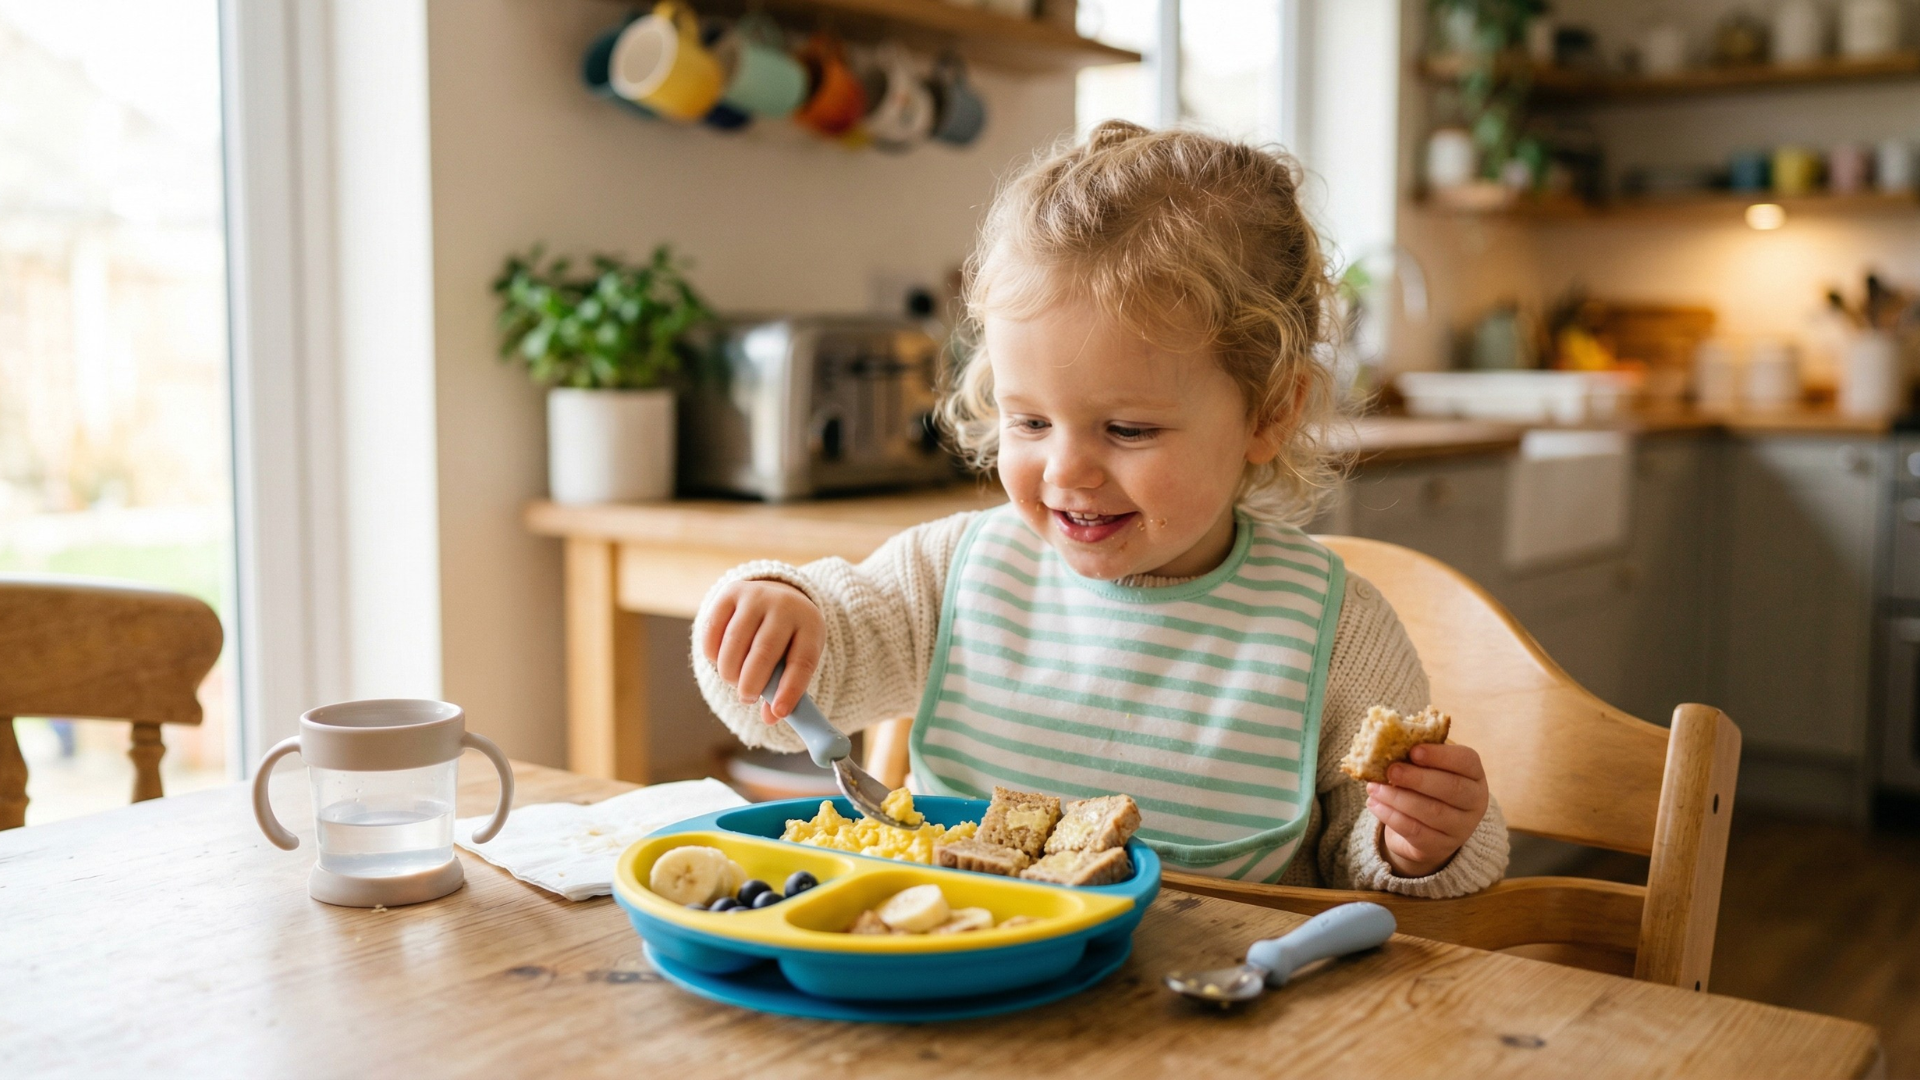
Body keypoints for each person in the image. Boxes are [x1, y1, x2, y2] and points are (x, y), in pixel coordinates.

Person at [690, 121, 1507, 895]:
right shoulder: (953, 575)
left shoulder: (1338, 634)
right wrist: (774, 614)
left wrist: (1418, 844)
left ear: (1269, 414)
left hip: (1227, 1019)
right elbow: (789, 703)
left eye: (1127, 429)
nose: (1068, 469)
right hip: (973, 992)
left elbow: (1368, 860)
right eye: (1031, 422)